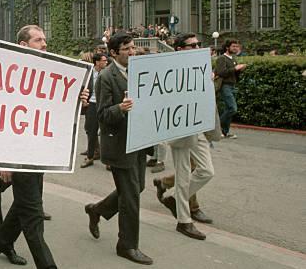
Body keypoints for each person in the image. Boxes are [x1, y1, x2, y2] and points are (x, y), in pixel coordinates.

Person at [0, 25, 88, 269]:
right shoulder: (8, 75)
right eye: (38, 40)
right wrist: (4, 161)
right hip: (18, 156)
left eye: (45, 39)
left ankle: (3, 241)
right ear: (23, 45)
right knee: (33, 215)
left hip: (40, 153)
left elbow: (57, 113)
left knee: (25, 203)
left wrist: (77, 101)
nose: (45, 44)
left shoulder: (49, 73)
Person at [84, 32, 153, 265]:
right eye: (127, 49)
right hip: (119, 144)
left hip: (140, 141)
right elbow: (102, 115)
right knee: (131, 196)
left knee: (138, 187)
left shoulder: (139, 71)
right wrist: (120, 109)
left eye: (133, 48)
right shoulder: (105, 77)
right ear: (113, 53)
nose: (132, 53)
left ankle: (96, 210)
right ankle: (127, 245)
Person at [152, 33, 214, 241]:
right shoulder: (169, 69)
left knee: (206, 171)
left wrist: (208, 81)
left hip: (198, 125)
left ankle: (173, 198)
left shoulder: (201, 68)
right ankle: (184, 221)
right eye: (192, 45)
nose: (197, 48)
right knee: (183, 173)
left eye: (198, 44)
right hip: (179, 127)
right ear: (179, 49)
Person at [215, 39, 246, 139]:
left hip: (232, 86)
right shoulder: (222, 58)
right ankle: (216, 128)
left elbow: (233, 73)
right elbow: (220, 72)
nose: (236, 48)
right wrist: (235, 68)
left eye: (237, 46)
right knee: (232, 108)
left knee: (229, 109)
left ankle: (225, 132)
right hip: (225, 86)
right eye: (233, 46)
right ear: (227, 47)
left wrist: (239, 70)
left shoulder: (233, 59)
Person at [81, 53, 107, 168]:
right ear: (97, 62)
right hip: (91, 105)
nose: (106, 62)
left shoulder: (107, 74)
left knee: (106, 132)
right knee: (91, 132)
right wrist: (84, 100)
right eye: (103, 61)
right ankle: (90, 157)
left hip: (105, 105)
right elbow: (82, 87)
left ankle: (108, 161)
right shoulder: (89, 74)